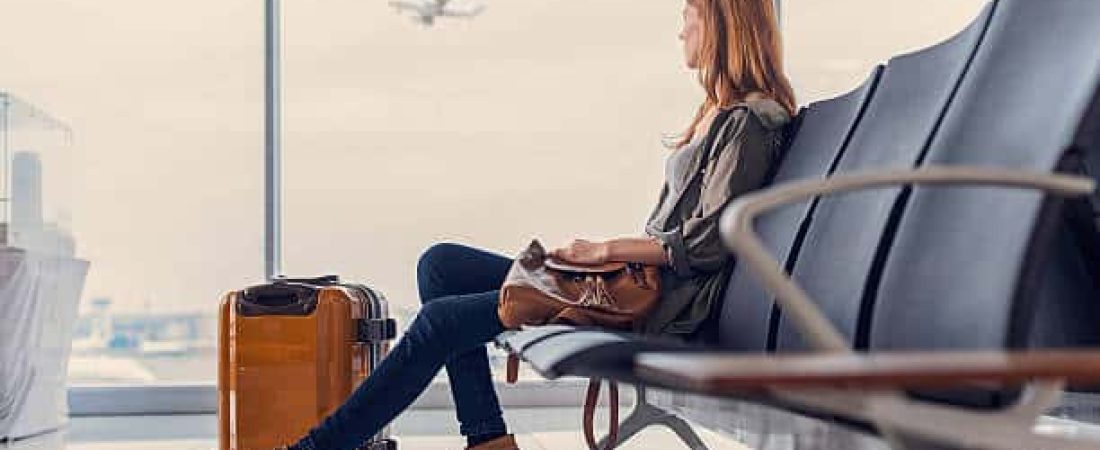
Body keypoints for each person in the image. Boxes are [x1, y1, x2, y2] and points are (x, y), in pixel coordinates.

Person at [284, 0, 794, 448]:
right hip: (632, 286)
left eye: (690, 15)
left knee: (440, 323)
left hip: (662, 307)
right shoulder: (719, 114)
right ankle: (487, 438)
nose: (681, 30)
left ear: (724, 25)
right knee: (441, 266)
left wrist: (603, 251)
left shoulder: (749, 123)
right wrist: (604, 257)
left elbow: (710, 244)